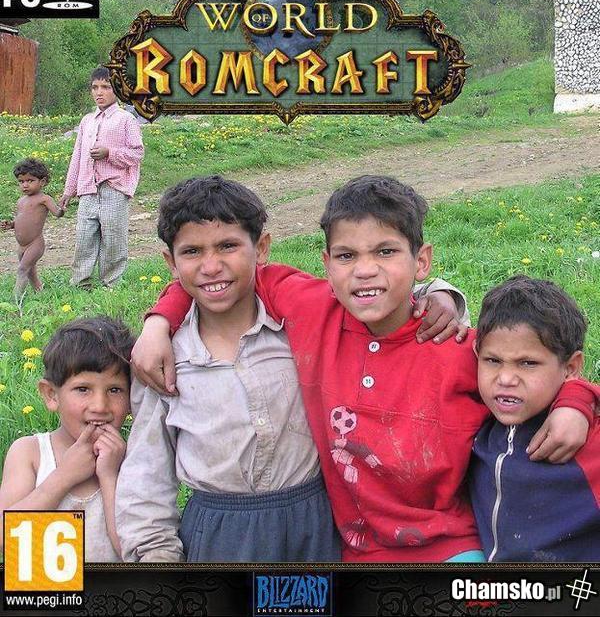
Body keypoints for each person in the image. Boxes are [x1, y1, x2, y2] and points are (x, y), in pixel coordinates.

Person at [134, 175, 596, 563]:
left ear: (421, 261)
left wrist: (577, 401)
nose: (365, 270)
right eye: (347, 256)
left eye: (386, 252)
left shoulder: (453, 345)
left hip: (448, 548)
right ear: (326, 265)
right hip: (349, 550)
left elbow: (529, 375)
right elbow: (221, 274)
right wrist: (159, 321)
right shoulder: (312, 310)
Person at [116, 176, 461, 563]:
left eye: (228, 246)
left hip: (316, 526)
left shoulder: (302, 325)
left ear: (261, 248)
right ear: (170, 262)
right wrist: (155, 559)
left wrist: (439, 294)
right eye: (192, 251)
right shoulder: (161, 359)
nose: (211, 266)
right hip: (218, 536)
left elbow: (379, 297)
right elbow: (146, 475)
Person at [469, 276, 600, 562]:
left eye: (528, 363)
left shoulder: (585, 440)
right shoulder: (474, 413)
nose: (505, 379)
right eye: (492, 360)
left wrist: (582, 398)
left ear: (571, 367)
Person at [0, 316, 134, 562]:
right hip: (45, 588)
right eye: (83, 389)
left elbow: (131, 552)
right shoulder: (31, 453)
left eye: (115, 390)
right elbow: (5, 539)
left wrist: (109, 476)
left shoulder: (131, 459)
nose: (100, 406)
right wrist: (64, 476)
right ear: (51, 395)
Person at [59, 66, 144, 289]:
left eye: (106, 87)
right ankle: (80, 284)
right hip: (88, 190)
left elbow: (137, 153)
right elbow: (77, 156)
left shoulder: (126, 120)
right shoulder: (87, 121)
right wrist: (69, 190)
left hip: (114, 189)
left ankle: (111, 284)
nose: (99, 92)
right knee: (84, 238)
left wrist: (110, 153)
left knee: (113, 239)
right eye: (95, 87)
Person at [0, 158, 64, 299]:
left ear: (42, 182)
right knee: (30, 271)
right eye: (21, 181)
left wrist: (61, 210)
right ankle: (39, 290)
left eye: (30, 180)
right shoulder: (21, 201)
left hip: (35, 243)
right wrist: (11, 224)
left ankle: (16, 298)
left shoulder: (44, 199)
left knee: (22, 269)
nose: (25, 185)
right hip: (21, 245)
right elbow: (21, 220)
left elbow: (57, 213)